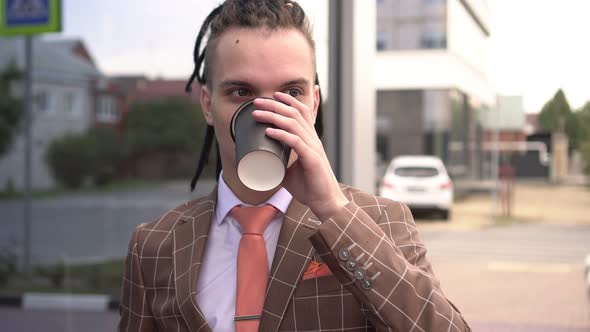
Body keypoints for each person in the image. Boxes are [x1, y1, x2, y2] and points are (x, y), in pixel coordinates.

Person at [119, 1, 471, 331]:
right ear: (208, 105)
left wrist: (333, 210)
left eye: (291, 93)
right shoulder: (154, 244)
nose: (267, 115)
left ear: (313, 105)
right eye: (241, 92)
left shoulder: (381, 221)